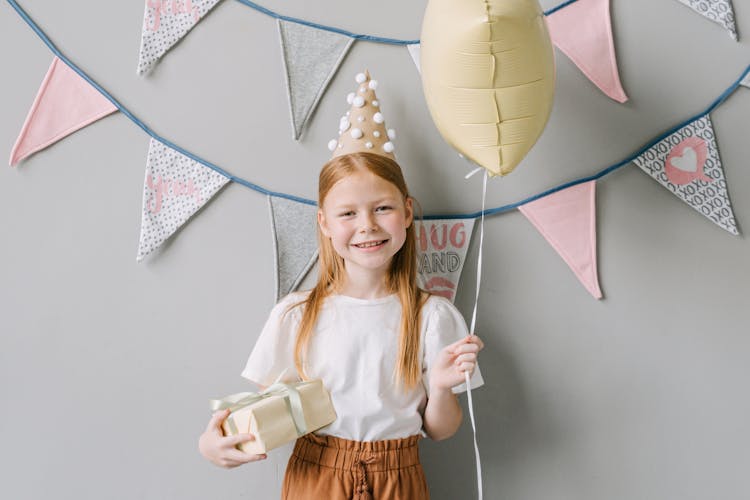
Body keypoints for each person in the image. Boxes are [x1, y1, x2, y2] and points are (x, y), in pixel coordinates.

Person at [199, 71, 484, 499]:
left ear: (407, 212)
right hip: (317, 476)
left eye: (382, 208)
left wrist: (441, 387)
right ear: (325, 224)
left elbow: (441, 430)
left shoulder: (433, 316)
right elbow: (264, 413)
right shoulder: (296, 314)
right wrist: (212, 443)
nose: (367, 226)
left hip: (398, 476)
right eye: (348, 213)